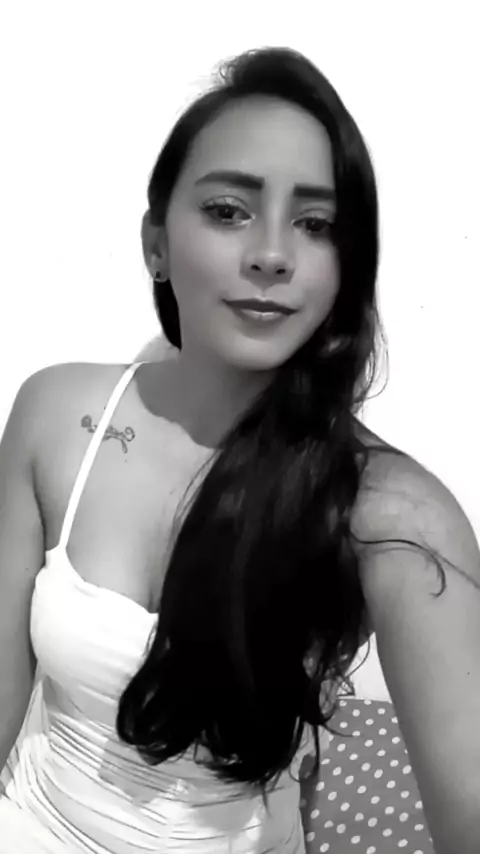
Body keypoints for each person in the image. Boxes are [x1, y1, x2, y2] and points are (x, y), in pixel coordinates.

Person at [0, 44, 479, 854]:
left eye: (316, 224)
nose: (272, 254)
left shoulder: (392, 513)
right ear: (156, 243)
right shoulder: (57, 413)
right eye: (229, 211)